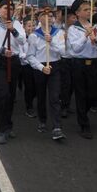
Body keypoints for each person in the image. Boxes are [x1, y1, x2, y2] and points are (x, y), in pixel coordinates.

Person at [0, 0, 26, 144]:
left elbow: (22, 41)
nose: (7, 11)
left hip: (13, 62)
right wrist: (2, 50)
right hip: (0, 62)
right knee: (2, 94)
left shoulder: (16, 24)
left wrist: (13, 30)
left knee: (11, 95)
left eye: (10, 8)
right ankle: (2, 129)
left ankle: (8, 124)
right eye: (4, 8)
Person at [67, 0, 97, 139]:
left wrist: (96, 40)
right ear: (77, 13)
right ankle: (84, 124)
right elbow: (76, 49)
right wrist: (85, 36)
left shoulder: (96, 27)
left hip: (94, 63)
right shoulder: (73, 29)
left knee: (93, 94)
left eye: (89, 10)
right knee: (80, 94)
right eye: (85, 10)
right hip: (79, 63)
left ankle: (84, 112)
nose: (88, 12)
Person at [26, 7, 66, 140]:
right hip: (41, 67)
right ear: (39, 18)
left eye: (50, 16)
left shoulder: (58, 33)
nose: (48, 18)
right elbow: (30, 56)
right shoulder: (33, 35)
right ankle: (42, 120)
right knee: (41, 96)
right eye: (45, 15)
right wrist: (41, 67)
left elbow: (63, 52)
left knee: (55, 97)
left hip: (55, 66)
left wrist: (51, 42)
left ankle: (57, 126)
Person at [20, 15, 37, 118]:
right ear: (24, 27)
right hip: (26, 65)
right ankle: (29, 106)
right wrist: (28, 57)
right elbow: (20, 53)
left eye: (33, 25)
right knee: (29, 86)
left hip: (37, 65)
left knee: (36, 87)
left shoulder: (38, 36)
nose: (32, 28)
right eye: (29, 26)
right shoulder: (21, 38)